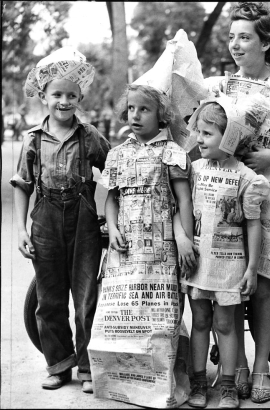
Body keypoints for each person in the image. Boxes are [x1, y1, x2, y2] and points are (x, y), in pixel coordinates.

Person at [199, 2, 270, 403]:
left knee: (259, 284)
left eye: (245, 37)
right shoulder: (220, 85)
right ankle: (234, 364)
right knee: (227, 280)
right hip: (224, 187)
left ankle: (260, 367)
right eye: (232, 37)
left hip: (269, 188)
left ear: (265, 42)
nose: (236, 45)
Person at [10, 46, 110, 393]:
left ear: (80, 96)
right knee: (49, 299)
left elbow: (114, 172)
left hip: (83, 219)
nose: (64, 101)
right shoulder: (33, 139)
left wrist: (112, 215)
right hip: (45, 219)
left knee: (86, 298)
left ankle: (86, 368)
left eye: (71, 95)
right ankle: (58, 365)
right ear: (43, 96)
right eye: (57, 94)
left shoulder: (91, 136)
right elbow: (22, 185)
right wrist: (21, 229)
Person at [90, 84, 193, 408]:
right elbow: (111, 199)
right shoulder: (118, 153)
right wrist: (113, 226)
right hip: (126, 247)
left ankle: (165, 383)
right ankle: (126, 381)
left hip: (162, 247)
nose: (135, 115)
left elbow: (183, 200)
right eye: (131, 108)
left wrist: (185, 240)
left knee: (162, 316)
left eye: (144, 109)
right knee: (127, 313)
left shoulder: (172, 152)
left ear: (161, 114)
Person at [175, 100, 270, 409]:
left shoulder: (247, 178)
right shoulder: (194, 171)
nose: (199, 139)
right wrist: (182, 239)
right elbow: (180, 208)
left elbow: (253, 225)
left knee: (227, 324)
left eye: (207, 134)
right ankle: (199, 381)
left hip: (230, 266)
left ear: (229, 137)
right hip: (198, 263)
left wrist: (252, 268)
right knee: (200, 320)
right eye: (198, 132)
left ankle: (228, 385)